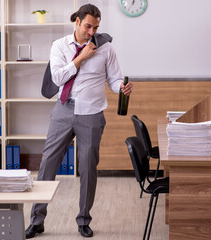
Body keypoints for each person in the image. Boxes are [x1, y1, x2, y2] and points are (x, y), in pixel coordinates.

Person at [25, 4, 133, 238]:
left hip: (92, 113)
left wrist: (121, 87)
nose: (91, 31)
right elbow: (57, 77)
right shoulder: (60, 46)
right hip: (63, 110)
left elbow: (113, 80)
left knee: (87, 167)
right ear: (77, 21)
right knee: (48, 164)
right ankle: (37, 220)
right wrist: (81, 58)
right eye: (87, 26)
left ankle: (84, 219)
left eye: (95, 27)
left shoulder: (106, 49)